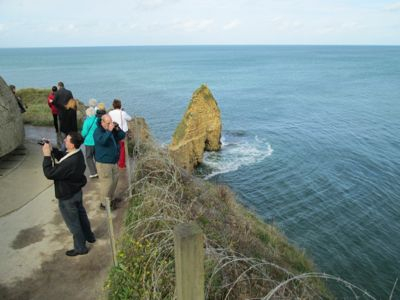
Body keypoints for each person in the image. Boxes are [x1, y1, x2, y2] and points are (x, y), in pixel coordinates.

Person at [42, 132, 95, 257]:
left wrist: (46, 156)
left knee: (73, 223)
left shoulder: (70, 161)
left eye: (67, 140)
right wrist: (52, 149)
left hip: (67, 196)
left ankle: (80, 248)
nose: (65, 140)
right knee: (81, 216)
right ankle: (89, 236)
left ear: (72, 144)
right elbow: (63, 157)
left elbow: (50, 173)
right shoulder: (77, 153)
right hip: (76, 192)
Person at [93, 114, 125, 210]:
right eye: (108, 123)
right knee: (107, 183)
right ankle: (104, 204)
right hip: (103, 163)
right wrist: (109, 131)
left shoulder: (110, 129)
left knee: (114, 181)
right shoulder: (97, 132)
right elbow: (102, 141)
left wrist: (117, 128)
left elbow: (122, 136)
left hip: (113, 161)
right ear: (102, 122)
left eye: (111, 122)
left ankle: (110, 200)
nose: (110, 124)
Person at [109, 99, 132, 168]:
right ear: (120, 105)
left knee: (115, 146)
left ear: (113, 105)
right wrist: (123, 112)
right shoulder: (123, 113)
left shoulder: (110, 113)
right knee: (122, 148)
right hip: (122, 132)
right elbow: (130, 118)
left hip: (113, 131)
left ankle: (115, 161)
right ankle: (121, 163)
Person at [81, 107, 98, 178]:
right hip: (97, 141)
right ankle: (99, 171)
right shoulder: (97, 120)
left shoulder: (87, 121)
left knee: (89, 157)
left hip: (89, 142)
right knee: (97, 157)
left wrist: (81, 134)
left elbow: (84, 133)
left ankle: (93, 172)